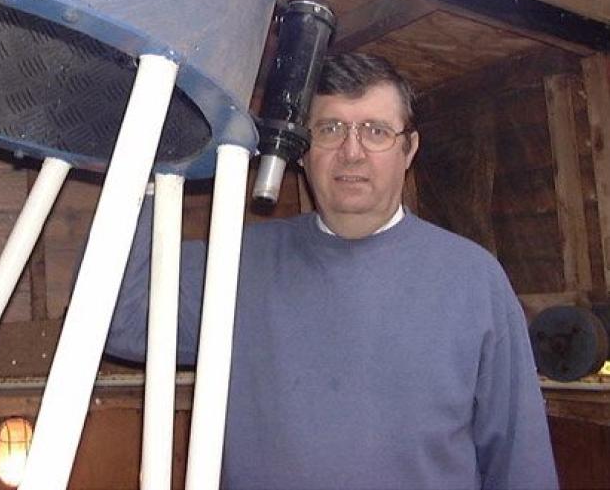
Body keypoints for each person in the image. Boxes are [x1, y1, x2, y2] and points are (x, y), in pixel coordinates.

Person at [105, 52, 559, 490]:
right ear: (302, 149)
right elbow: (120, 320)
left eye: (376, 131)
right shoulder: (237, 261)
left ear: (409, 149)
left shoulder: (473, 279)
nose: (352, 152)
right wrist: (148, 165)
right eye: (330, 129)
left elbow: (520, 457)